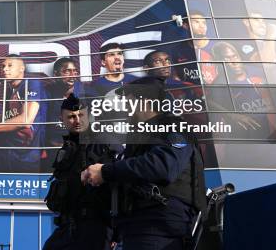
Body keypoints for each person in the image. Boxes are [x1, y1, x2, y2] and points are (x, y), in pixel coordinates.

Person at [82, 77, 207, 250]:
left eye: (128, 101)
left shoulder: (175, 128)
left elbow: (164, 166)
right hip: (139, 227)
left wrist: (105, 172)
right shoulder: (141, 137)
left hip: (159, 228)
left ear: (144, 100)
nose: (125, 108)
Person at [43, 94, 114, 250]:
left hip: (94, 225)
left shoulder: (103, 144)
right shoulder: (67, 148)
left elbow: (116, 186)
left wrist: (115, 231)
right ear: (62, 119)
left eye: (81, 115)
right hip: (68, 224)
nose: (77, 120)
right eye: (71, 117)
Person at [0, 54, 47, 173]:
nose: (4, 69)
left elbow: (25, 120)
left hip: (25, 155)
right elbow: (9, 118)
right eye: (3, 66)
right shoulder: (9, 89)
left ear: (22, 68)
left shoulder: (32, 84)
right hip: (7, 149)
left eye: (10, 66)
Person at [45, 57, 79, 149]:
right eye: (67, 71)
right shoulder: (46, 93)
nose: (72, 75)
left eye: (75, 71)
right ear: (56, 74)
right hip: (53, 148)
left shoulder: (86, 93)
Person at [175, 11, 217, 84]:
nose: (202, 26)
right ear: (185, 26)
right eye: (196, 22)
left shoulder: (217, 46)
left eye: (204, 23)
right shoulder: (179, 49)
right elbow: (177, 76)